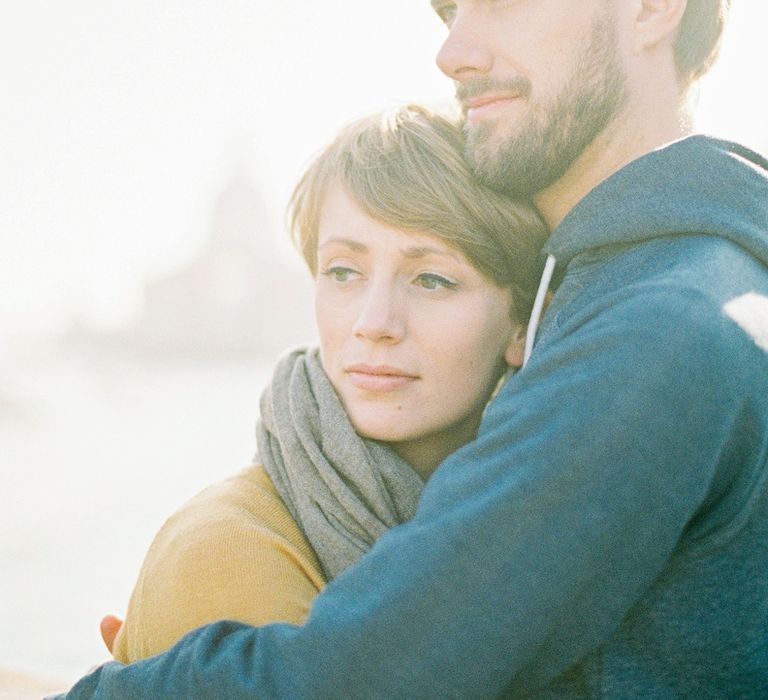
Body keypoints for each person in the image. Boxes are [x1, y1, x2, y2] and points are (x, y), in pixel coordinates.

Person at [52, 1, 768, 697]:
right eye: (448, 10)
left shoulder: (658, 327)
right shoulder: (693, 280)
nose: (452, 51)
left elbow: (357, 678)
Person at [101, 104, 546, 663]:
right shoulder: (225, 553)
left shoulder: (556, 524)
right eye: (343, 272)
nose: (374, 322)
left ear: (523, 321)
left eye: (431, 279)